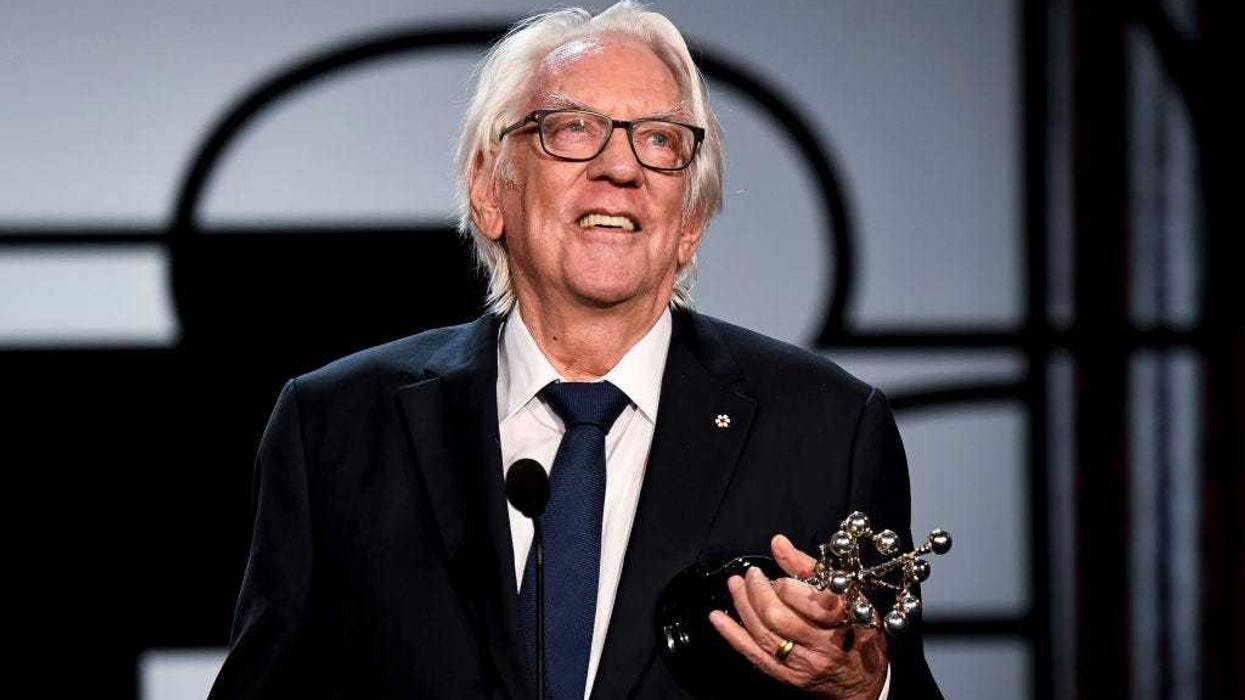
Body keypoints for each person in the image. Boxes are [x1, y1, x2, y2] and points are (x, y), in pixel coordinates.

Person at [209, 2, 941, 698]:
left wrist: (861, 687)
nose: (619, 168)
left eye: (658, 140)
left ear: (689, 220)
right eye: (572, 128)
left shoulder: (826, 428)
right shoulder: (336, 427)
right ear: (489, 190)